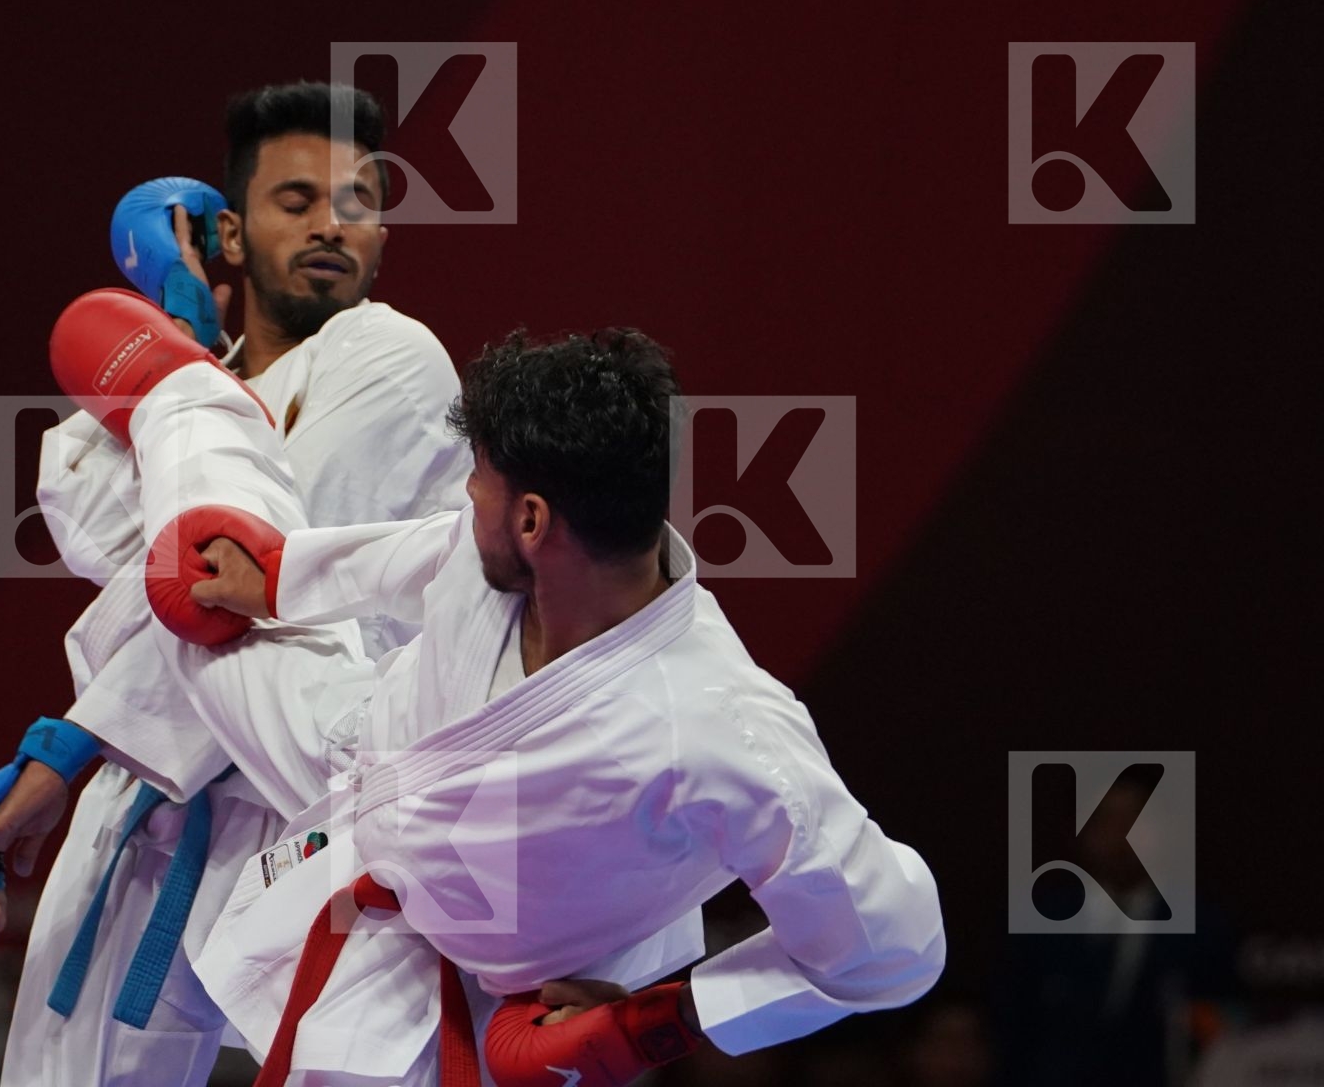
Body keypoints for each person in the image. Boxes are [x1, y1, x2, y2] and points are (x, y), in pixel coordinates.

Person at [66, 319, 948, 1085]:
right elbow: (419, 554)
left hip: (486, 985)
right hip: (355, 754)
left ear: (532, 521)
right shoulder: (520, 546)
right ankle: (182, 393)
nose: (465, 495)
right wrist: (277, 577)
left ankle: (182, 407)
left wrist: (656, 1022)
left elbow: (895, 947)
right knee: (197, 579)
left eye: (477, 478)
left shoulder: (722, 730)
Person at [0, 82, 474, 1087]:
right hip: (158, 785)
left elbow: (226, 572)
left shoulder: (391, 356)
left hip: (321, 783)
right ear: (228, 234)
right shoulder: (183, 394)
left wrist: (61, 753)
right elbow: (96, 531)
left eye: (359, 204)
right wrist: (181, 349)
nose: (331, 226)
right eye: (297, 200)